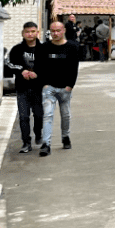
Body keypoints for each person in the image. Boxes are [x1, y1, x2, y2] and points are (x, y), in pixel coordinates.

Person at [36, 20, 79, 157]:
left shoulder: (72, 47)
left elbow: (74, 68)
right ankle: (46, 144)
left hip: (65, 88)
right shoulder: (44, 47)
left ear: (64, 31)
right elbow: (39, 67)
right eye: (53, 31)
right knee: (48, 115)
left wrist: (70, 86)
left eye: (58, 30)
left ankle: (65, 137)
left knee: (65, 115)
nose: (55, 33)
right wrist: (44, 84)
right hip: (49, 88)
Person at [7, 22, 44, 153]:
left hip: (38, 88)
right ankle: (26, 142)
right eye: (27, 32)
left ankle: (38, 133)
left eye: (33, 31)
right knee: (24, 116)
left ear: (37, 33)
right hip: (22, 88)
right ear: (23, 33)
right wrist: (22, 70)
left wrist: (37, 73)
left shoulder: (43, 49)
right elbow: (9, 64)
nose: (30, 34)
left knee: (39, 115)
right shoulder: (17, 49)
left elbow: (49, 66)